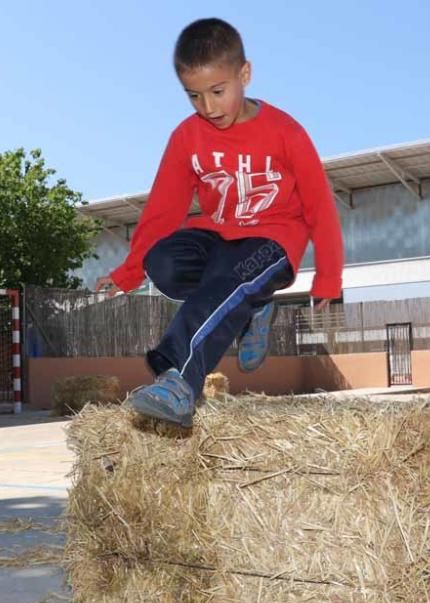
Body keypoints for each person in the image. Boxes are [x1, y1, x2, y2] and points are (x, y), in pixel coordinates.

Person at [95, 18, 344, 427]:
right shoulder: (186, 138)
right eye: (193, 96)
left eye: (217, 92)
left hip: (273, 239)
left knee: (231, 280)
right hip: (219, 234)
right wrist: (128, 272)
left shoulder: (286, 132)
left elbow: (320, 205)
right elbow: (163, 209)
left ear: (244, 75)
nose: (208, 107)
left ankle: (179, 382)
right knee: (165, 264)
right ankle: (252, 308)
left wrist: (328, 278)